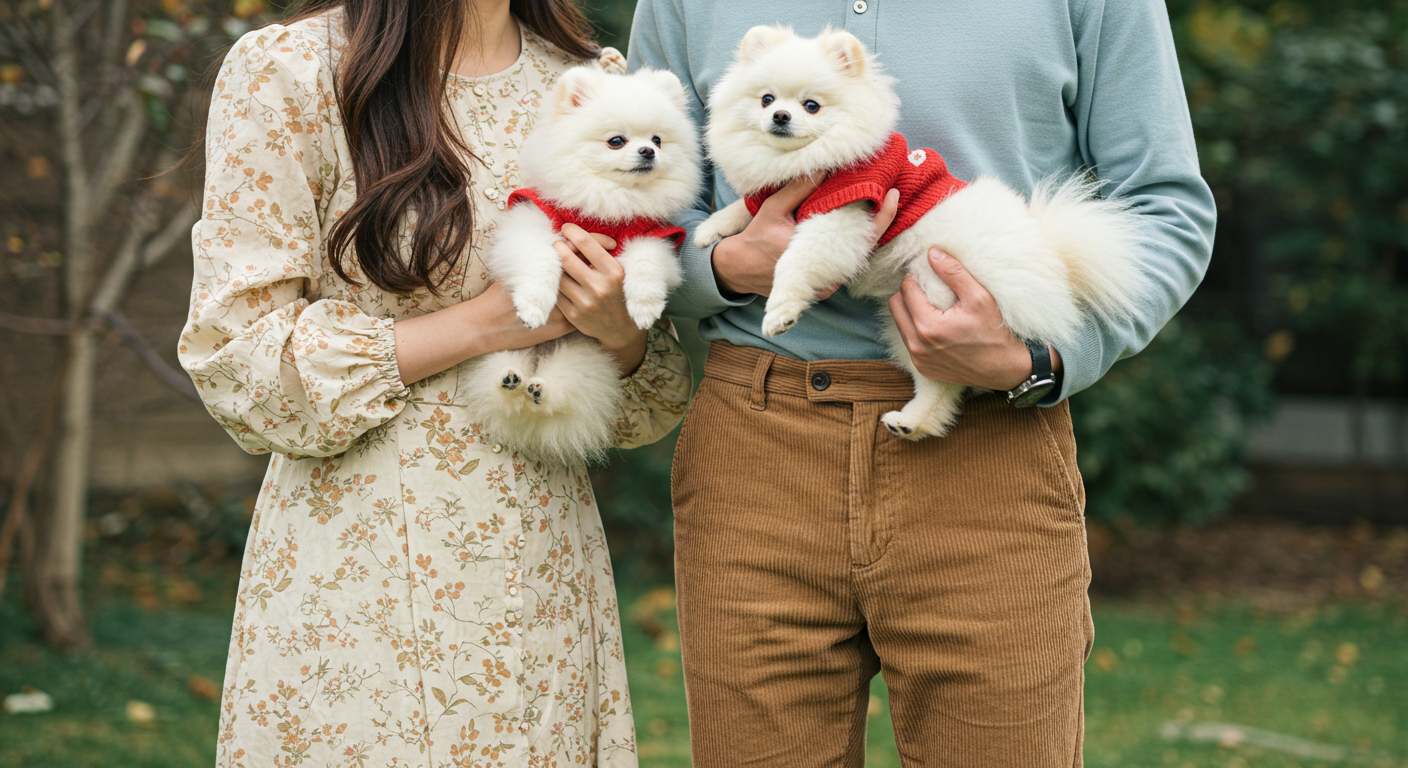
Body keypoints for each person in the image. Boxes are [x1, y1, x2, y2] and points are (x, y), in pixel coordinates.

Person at [629, 1, 1215, 766]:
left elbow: (1168, 208)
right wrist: (728, 267)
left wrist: (1036, 360)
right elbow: (642, 204)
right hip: (756, 456)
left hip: (989, 449)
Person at [179, 1, 690, 764]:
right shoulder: (289, 71)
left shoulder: (589, 84)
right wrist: (488, 325)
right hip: (358, 567)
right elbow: (240, 363)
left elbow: (651, 400)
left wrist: (618, 331)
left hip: (542, 569)